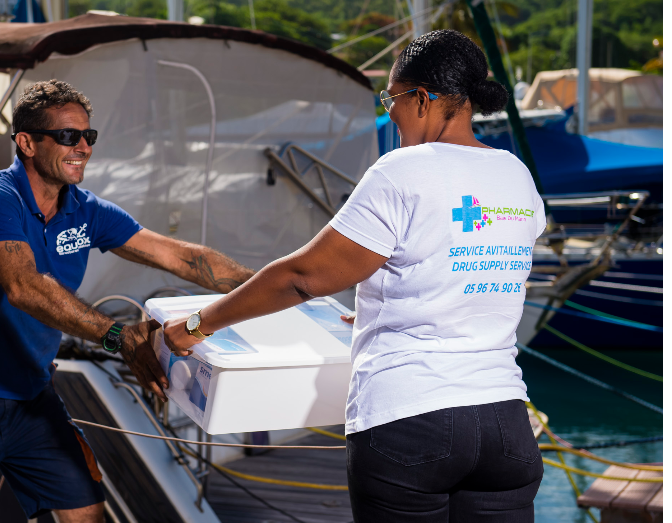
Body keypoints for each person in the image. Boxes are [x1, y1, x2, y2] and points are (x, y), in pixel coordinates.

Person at [165, 30, 546, 522]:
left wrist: (197, 324)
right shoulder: (515, 174)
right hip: (505, 423)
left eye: (393, 99)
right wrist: (376, 310)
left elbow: (302, 277)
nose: (391, 112)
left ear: (423, 99)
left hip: (412, 418)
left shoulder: (403, 171)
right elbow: (467, 276)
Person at [0, 79, 255, 523]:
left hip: (31, 396)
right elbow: (25, 286)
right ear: (26, 142)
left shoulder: (85, 210)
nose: (82, 146)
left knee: (85, 511)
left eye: (87, 136)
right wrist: (117, 334)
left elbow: (180, 257)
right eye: (66, 136)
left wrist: (281, 290)